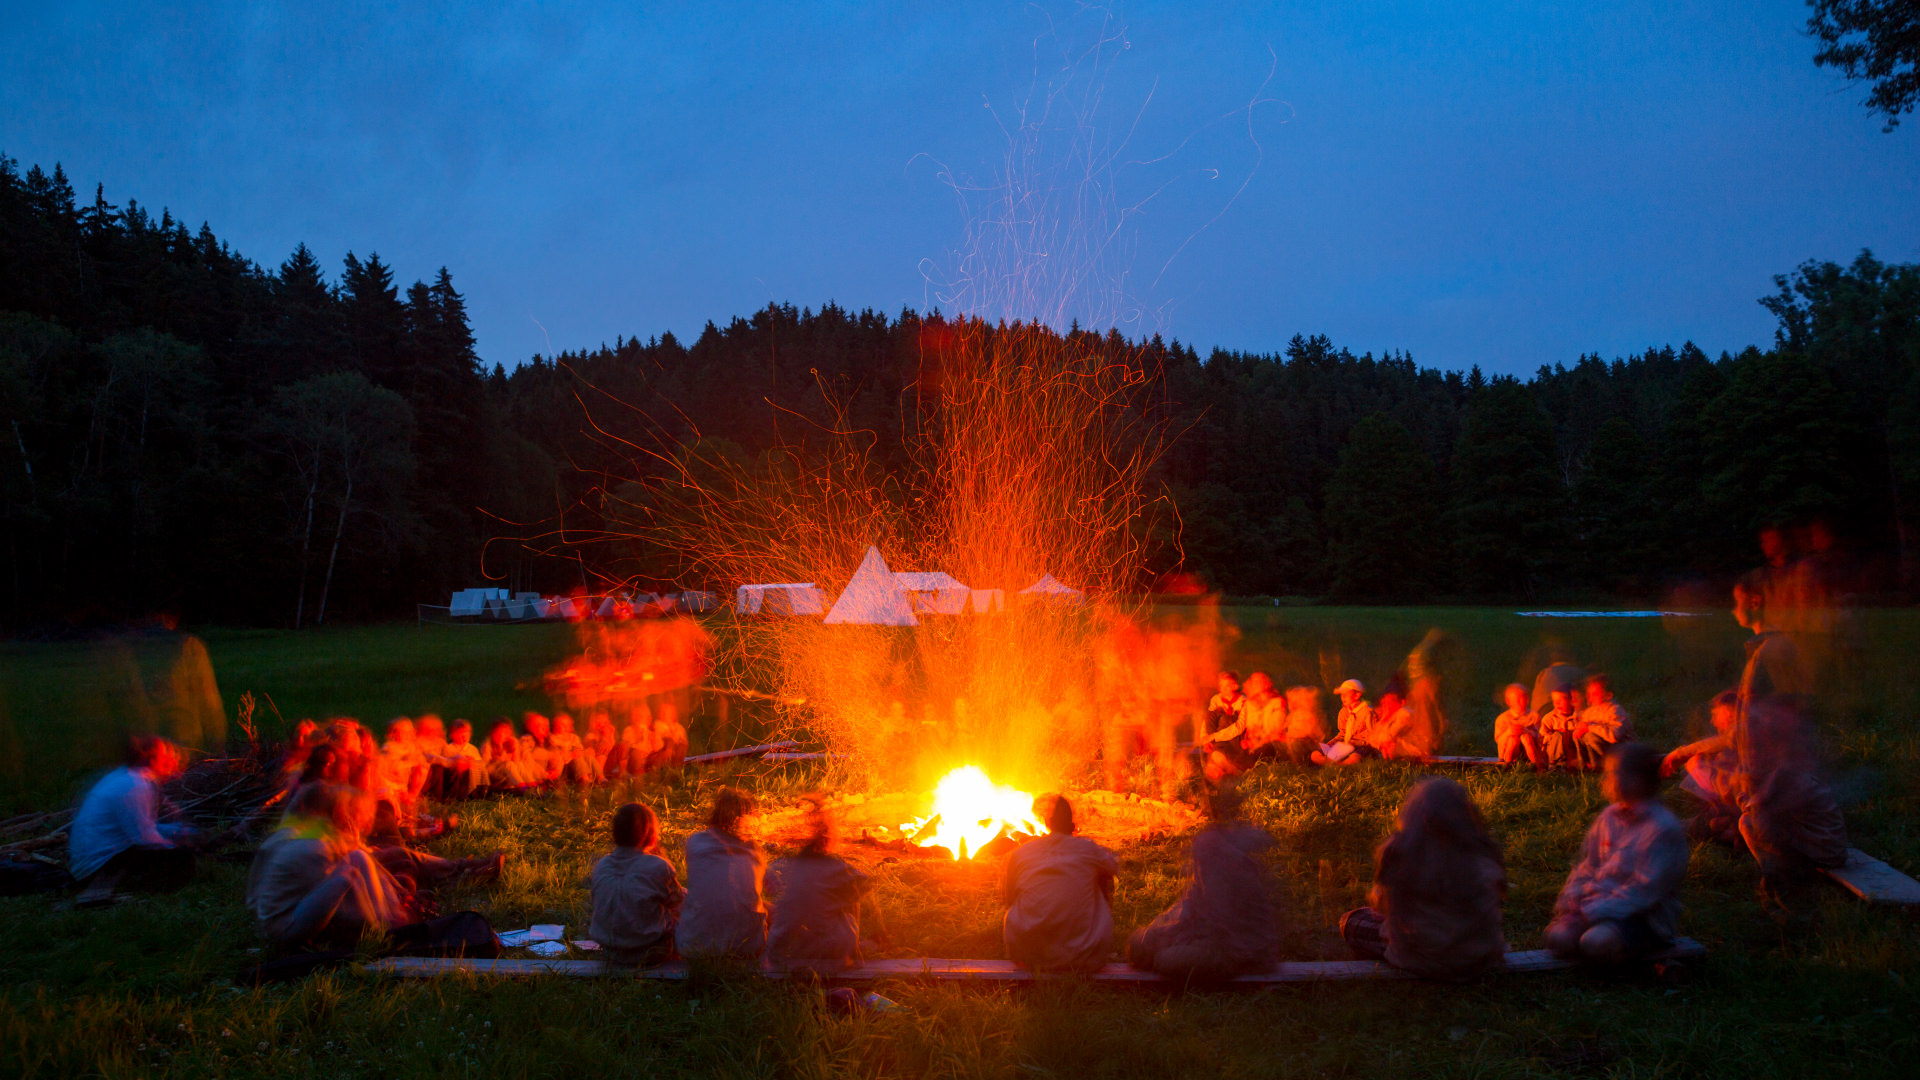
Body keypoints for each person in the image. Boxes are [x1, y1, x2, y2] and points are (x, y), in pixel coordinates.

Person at [1730, 570, 1848, 901]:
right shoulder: (1767, 648)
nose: (1733, 609)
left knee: (1758, 819)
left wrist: (1760, 769)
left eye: (1735, 601)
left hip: (1775, 765)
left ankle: (1784, 890)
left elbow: (1783, 713)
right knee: (1748, 815)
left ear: (1754, 601)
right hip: (1770, 764)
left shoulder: (1773, 651)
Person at [1339, 777, 1507, 980]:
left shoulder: (1400, 854)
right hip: (1481, 956)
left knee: (1351, 921)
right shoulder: (1482, 854)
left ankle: (1382, 962)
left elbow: (1383, 908)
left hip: (1422, 958)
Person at [1546, 744, 1689, 966]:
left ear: (1637, 780)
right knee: (1557, 938)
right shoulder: (1609, 817)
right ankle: (1598, 936)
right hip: (1597, 905)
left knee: (1595, 943)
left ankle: (1628, 951)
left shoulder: (1662, 828)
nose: (1604, 780)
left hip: (1642, 916)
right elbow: (1587, 865)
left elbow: (1644, 891)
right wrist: (1571, 900)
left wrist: (1592, 912)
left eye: (1612, 774)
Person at [1127, 785, 1280, 981]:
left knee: (1165, 960)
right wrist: (1160, 932)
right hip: (1210, 937)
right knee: (1138, 944)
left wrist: (1176, 936)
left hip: (1240, 951)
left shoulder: (1229, 860)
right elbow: (1189, 905)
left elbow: (1219, 924)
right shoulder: (1212, 848)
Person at [247, 782, 418, 947]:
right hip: (284, 928)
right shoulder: (315, 847)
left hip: (271, 918)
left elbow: (254, 890)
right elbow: (338, 905)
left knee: (356, 858)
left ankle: (388, 915)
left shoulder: (289, 835)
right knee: (347, 876)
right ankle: (379, 930)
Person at [68, 734, 200, 894]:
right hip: (98, 867)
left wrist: (178, 831)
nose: (174, 761)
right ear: (153, 759)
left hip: (93, 861)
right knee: (182, 859)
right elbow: (145, 839)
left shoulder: (125, 777)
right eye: (168, 756)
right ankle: (136, 885)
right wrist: (177, 845)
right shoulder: (135, 785)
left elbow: (141, 827)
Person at [1002, 794, 1119, 973]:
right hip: (1084, 956)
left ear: (1047, 823)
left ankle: (1040, 938)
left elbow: (1008, 898)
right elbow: (1114, 866)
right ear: (1072, 825)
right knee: (1104, 876)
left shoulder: (1021, 853)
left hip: (1027, 954)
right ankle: (1088, 935)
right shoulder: (1088, 849)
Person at [767, 794, 882, 975]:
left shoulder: (794, 871)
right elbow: (865, 882)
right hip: (836, 953)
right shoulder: (836, 869)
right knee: (850, 895)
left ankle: (854, 949)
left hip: (808, 955)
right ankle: (855, 951)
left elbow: (785, 924)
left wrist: (773, 956)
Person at [675, 788, 768, 962]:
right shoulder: (753, 850)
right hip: (747, 947)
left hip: (694, 947)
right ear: (744, 819)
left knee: (684, 898)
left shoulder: (695, 842)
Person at [588, 802, 684, 966]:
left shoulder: (602, 865)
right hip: (651, 953)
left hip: (611, 953)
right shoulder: (659, 866)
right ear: (650, 833)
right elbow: (679, 904)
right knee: (687, 906)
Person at [1662, 691, 1741, 842]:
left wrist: (1680, 754)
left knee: (1697, 762)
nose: (1712, 721)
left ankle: (1716, 824)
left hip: (1743, 804)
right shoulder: (1739, 735)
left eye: (1715, 715)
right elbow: (1715, 743)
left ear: (1729, 714)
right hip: (1739, 803)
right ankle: (1720, 826)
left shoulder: (1740, 734)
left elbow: (1713, 743)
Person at [1574, 675, 1634, 769]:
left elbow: (1614, 735)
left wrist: (1590, 727)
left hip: (1620, 750)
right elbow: (1584, 727)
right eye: (1589, 694)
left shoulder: (1615, 711)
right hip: (1600, 748)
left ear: (1608, 695)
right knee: (1580, 735)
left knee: (1590, 736)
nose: (1590, 697)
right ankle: (1585, 765)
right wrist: (1579, 729)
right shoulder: (1590, 712)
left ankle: (1602, 765)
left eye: (1595, 694)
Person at [1325, 679, 1380, 765]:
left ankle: (1340, 764)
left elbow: (1374, 736)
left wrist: (1354, 744)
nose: (1343, 697)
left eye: (1346, 694)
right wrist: (1331, 743)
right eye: (1341, 694)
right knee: (1315, 754)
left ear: (1357, 695)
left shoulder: (1367, 711)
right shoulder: (1343, 712)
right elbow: (1343, 733)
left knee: (1355, 757)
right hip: (1347, 746)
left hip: (1363, 747)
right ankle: (1334, 762)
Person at [1493, 683, 1542, 767]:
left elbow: (1540, 736)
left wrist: (1527, 731)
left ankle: (1536, 765)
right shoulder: (1503, 718)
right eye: (1518, 700)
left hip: (1527, 752)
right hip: (1510, 751)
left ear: (1527, 700)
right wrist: (1509, 732)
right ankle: (1507, 765)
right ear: (1508, 701)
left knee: (1526, 738)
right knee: (1513, 739)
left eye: (1524, 699)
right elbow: (1499, 739)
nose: (1521, 702)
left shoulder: (1534, 716)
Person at [1536, 688, 1584, 768]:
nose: (1557, 703)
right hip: (1556, 752)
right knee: (1557, 736)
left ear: (1571, 700)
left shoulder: (1579, 716)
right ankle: (1556, 765)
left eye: (1561, 700)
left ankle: (1580, 763)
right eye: (1554, 700)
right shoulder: (1550, 718)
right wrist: (1549, 735)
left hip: (1573, 751)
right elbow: (1542, 736)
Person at [1203, 670, 1246, 740]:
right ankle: (1213, 744)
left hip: (1235, 737)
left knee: (1225, 719)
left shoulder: (1243, 701)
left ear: (1235, 687)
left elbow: (1240, 726)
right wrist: (1204, 737)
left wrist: (1215, 736)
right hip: (1217, 737)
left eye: (1227, 686)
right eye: (1221, 685)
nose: (1222, 688)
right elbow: (1208, 721)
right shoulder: (1216, 699)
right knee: (1210, 714)